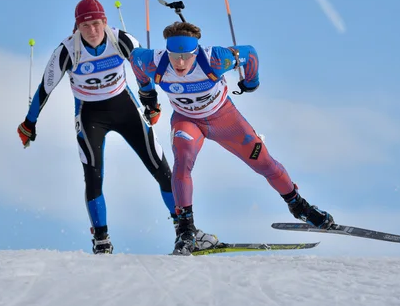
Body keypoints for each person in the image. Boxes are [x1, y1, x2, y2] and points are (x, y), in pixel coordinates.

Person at [17, 0, 219, 254]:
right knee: (93, 175)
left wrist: (151, 103)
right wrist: (29, 123)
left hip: (124, 107)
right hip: (90, 114)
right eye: (86, 25)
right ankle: (101, 239)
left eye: (97, 23)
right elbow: (45, 88)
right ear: (77, 26)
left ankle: (185, 232)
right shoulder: (67, 50)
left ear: (105, 22)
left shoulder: (120, 39)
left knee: (161, 168)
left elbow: (145, 68)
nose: (92, 30)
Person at [129, 21, 334, 255]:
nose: (181, 63)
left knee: (264, 163)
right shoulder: (152, 61)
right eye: (175, 56)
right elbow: (135, 60)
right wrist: (147, 95)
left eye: (187, 56)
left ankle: (299, 206)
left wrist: (251, 81)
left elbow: (250, 54)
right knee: (182, 160)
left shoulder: (216, 58)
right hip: (188, 121)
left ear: (196, 52)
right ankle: (186, 230)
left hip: (225, 120)